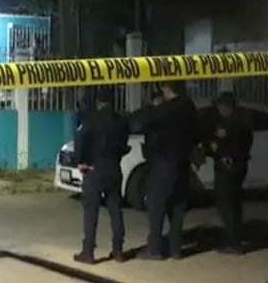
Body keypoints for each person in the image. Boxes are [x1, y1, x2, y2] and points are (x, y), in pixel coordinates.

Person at [139, 81, 198, 260]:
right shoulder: (189, 107)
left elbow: (146, 124)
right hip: (183, 163)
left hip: (164, 162)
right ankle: (175, 248)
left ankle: (155, 249)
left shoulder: (164, 110)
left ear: (167, 88)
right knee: (177, 206)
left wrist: (153, 107)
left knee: (156, 205)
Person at [73, 86, 130, 264]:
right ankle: (118, 251)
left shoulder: (92, 119)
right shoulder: (121, 121)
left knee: (91, 210)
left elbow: (80, 139)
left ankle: (88, 252)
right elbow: (124, 146)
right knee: (115, 210)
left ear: (98, 101)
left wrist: (80, 161)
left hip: (94, 169)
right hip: (114, 169)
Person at [204, 92, 252, 254]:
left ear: (227, 106)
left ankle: (233, 243)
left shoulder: (232, 124)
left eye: (221, 105)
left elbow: (232, 147)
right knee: (232, 204)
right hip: (235, 167)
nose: (219, 109)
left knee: (227, 204)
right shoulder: (239, 121)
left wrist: (216, 147)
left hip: (229, 168)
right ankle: (233, 238)